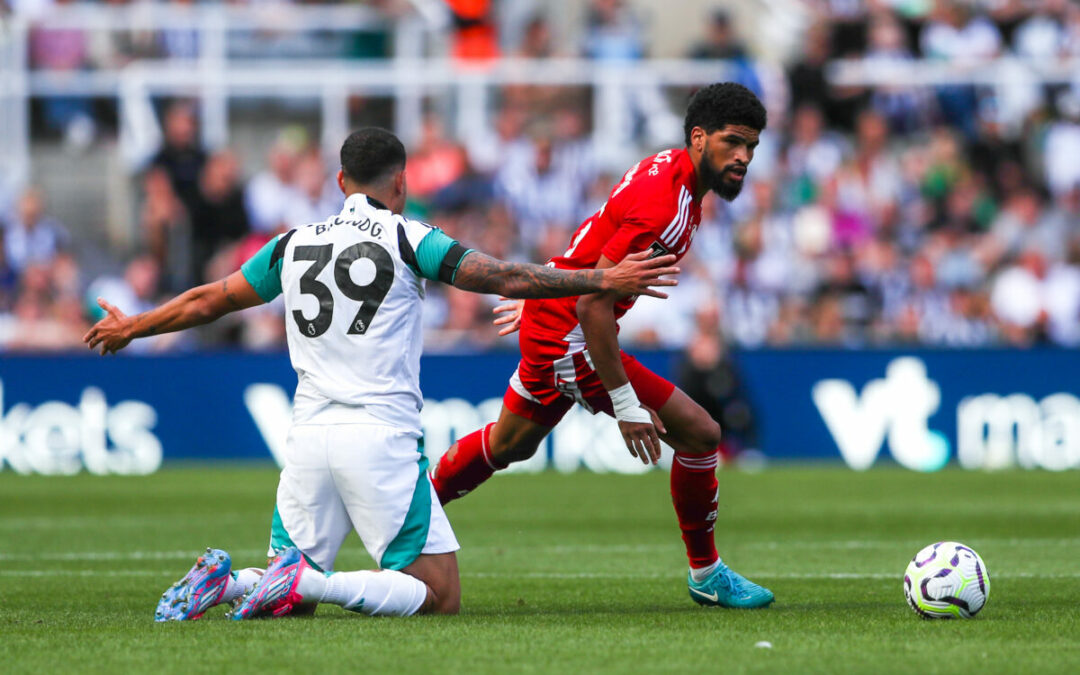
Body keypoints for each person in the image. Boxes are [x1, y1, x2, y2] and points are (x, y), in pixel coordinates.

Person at [83, 127, 678, 621]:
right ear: (401, 183)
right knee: (440, 596)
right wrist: (602, 279)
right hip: (379, 438)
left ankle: (233, 581)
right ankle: (302, 583)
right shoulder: (407, 234)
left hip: (309, 438)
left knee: (282, 599)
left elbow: (211, 299)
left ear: (340, 182)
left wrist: (134, 325)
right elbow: (503, 278)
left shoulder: (293, 243)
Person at [430, 82, 775, 609]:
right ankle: (706, 574)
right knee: (703, 434)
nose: (744, 157)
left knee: (509, 445)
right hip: (573, 334)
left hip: (555, 319)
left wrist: (545, 284)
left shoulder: (664, 167)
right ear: (700, 138)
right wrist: (626, 403)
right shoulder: (667, 204)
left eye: (752, 146)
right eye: (734, 142)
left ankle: (409, 510)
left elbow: (594, 236)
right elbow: (596, 304)